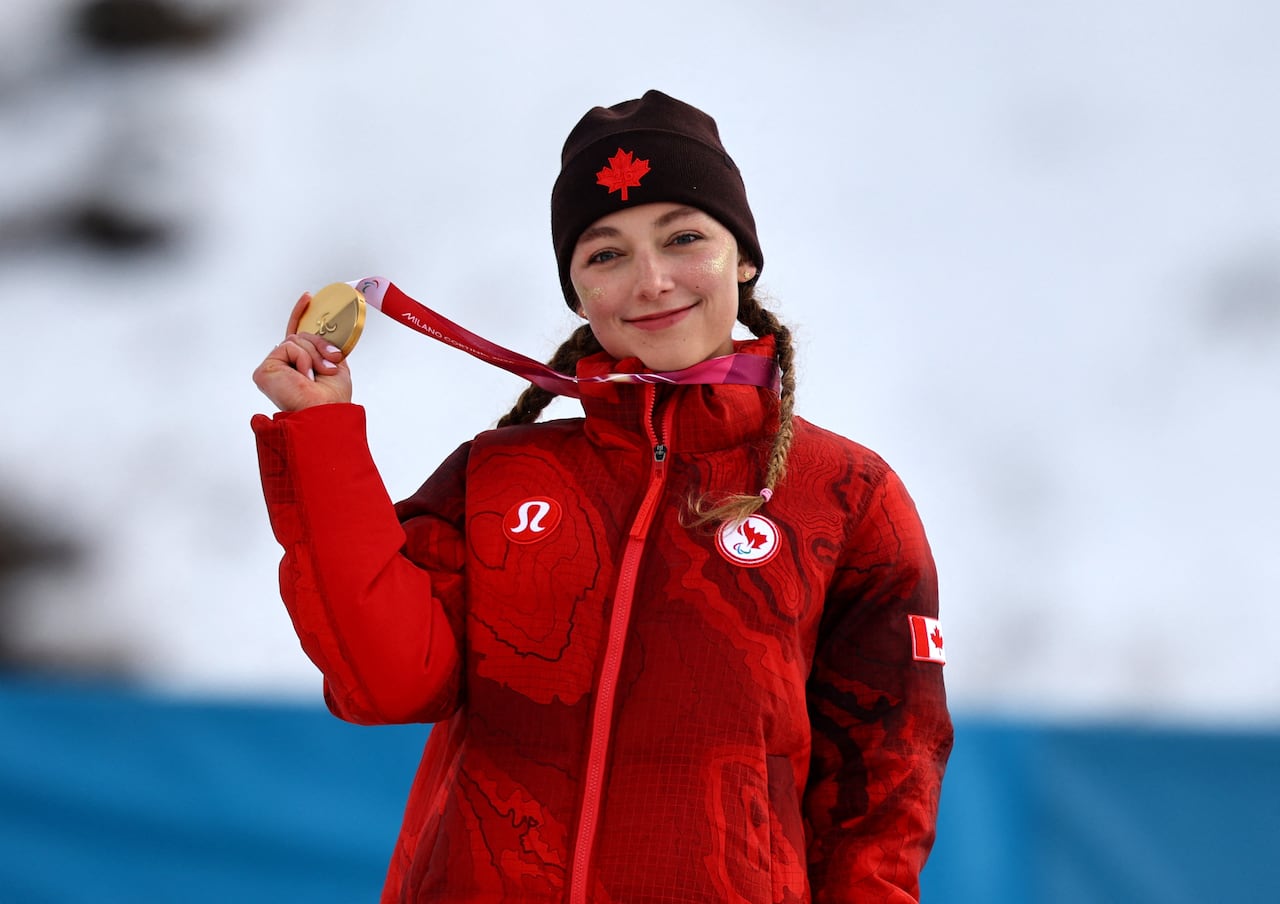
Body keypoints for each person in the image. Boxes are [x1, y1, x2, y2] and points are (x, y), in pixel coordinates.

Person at [252, 90, 952, 904]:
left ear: (744, 258)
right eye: (605, 254)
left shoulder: (846, 495)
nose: (651, 281)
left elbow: (885, 782)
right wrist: (322, 438)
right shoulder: (497, 476)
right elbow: (388, 684)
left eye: (685, 238)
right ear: (578, 293)